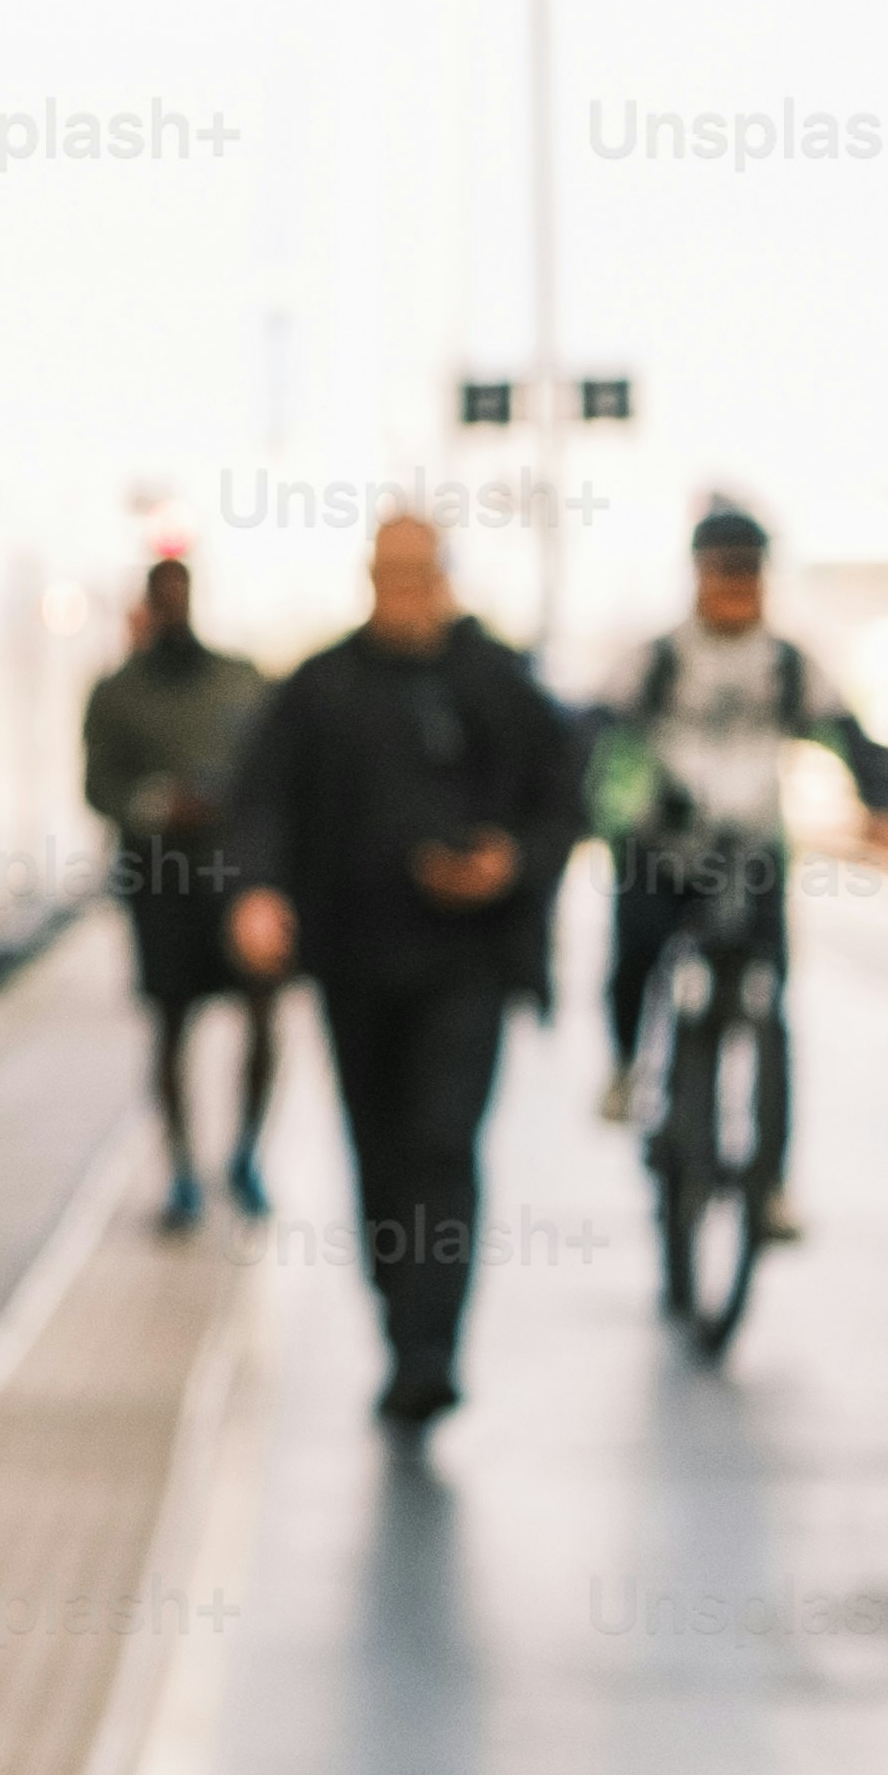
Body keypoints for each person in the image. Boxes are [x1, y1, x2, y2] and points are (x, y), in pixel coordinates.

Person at [226, 511, 583, 1434]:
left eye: (421, 574)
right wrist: (259, 893)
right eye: (391, 574)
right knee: (378, 1153)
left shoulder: (498, 682)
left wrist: (508, 863)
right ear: (370, 578)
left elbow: (563, 800)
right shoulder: (321, 686)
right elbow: (261, 795)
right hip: (355, 963)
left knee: (442, 1144)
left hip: (468, 964)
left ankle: (431, 1350)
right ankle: (400, 1319)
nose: (407, 592)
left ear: (446, 577)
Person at [586, 504, 888, 1243]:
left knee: (771, 1002)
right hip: (664, 845)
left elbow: (851, 733)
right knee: (635, 950)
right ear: (697, 575)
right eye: (722, 572)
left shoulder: (790, 663)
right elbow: (594, 727)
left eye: (748, 572)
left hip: (752, 854)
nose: (736, 588)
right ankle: (627, 1063)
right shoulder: (658, 657)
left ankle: (771, 1181)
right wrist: (587, 803)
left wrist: (882, 804)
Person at [80, 554, 281, 1232]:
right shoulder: (117, 692)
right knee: (170, 1023)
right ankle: (182, 1170)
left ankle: (245, 1155)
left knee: (261, 1015)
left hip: (237, 876)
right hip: (160, 882)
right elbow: (98, 785)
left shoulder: (239, 680)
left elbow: (274, 770)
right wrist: (160, 806)